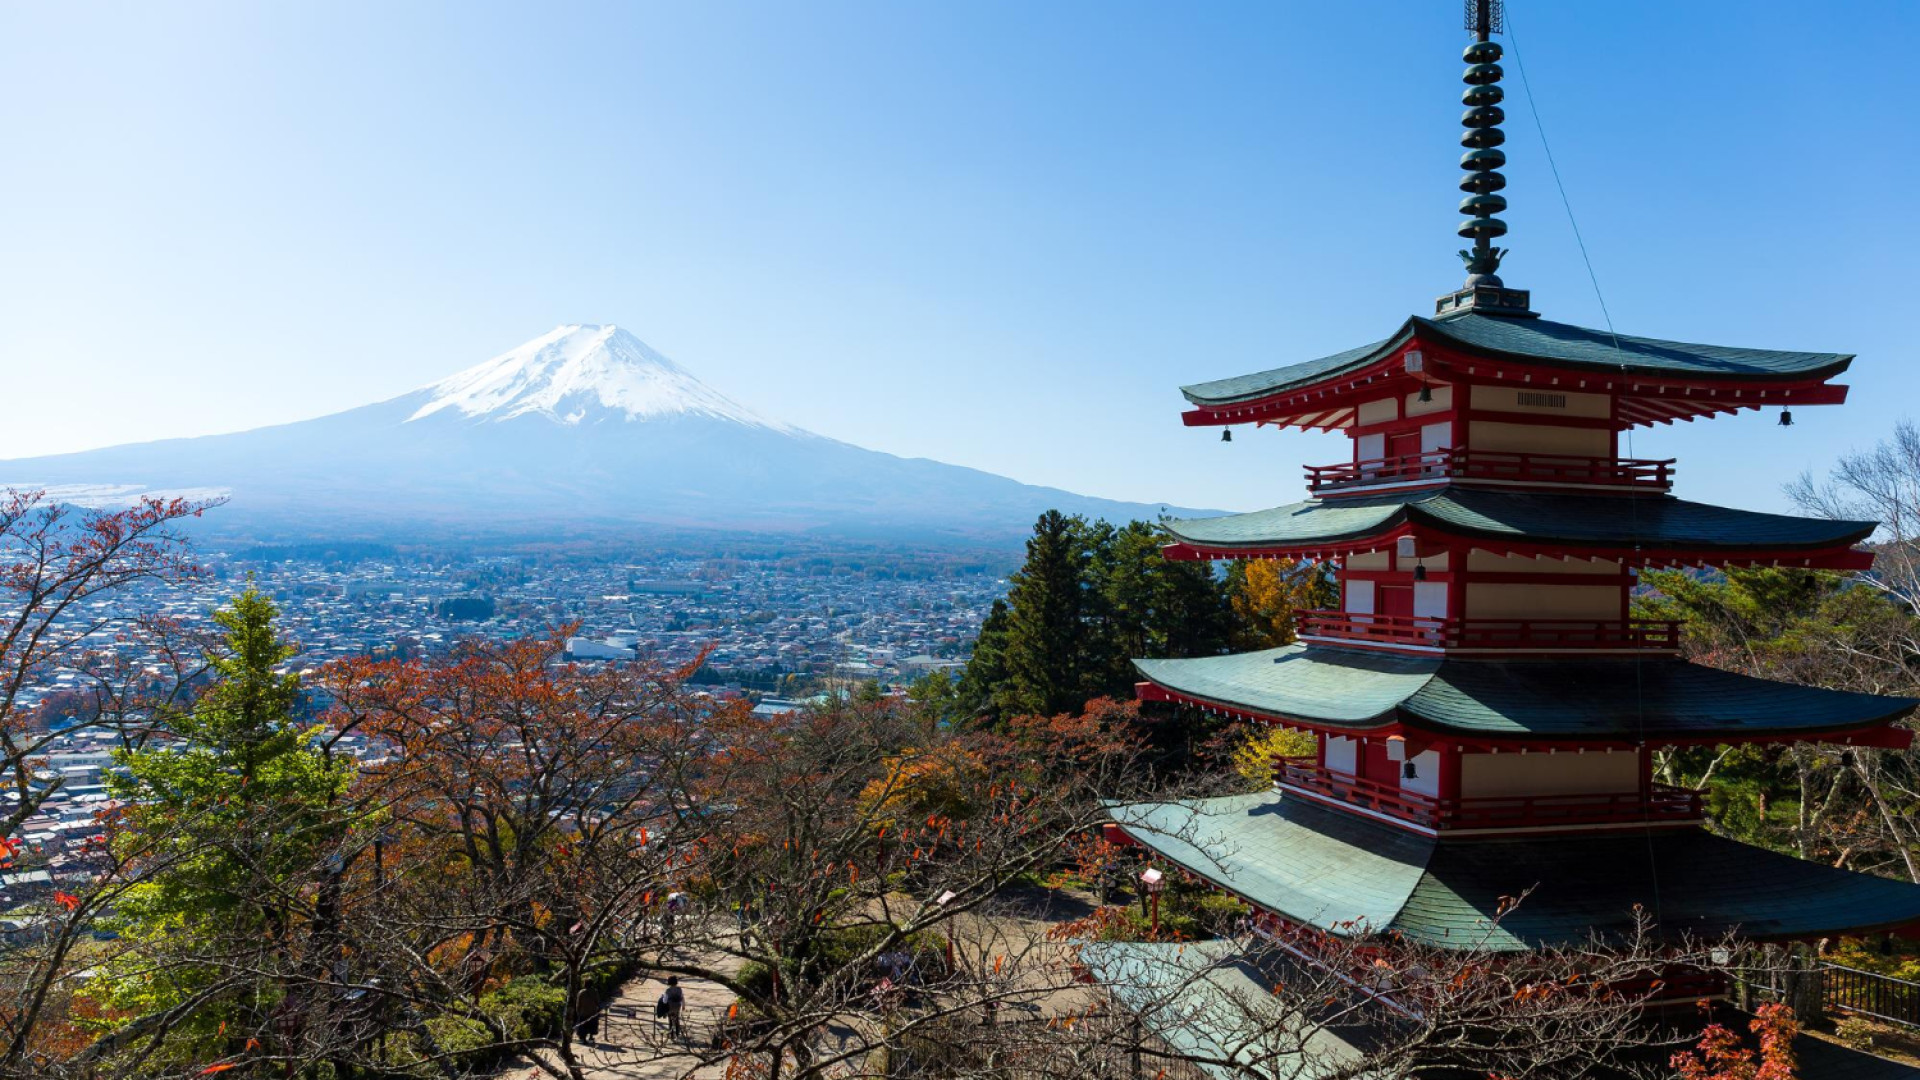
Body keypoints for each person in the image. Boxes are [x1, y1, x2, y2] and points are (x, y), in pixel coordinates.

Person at [658, 975, 686, 1041]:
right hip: (677, 1006)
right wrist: (683, 1006)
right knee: (677, 1020)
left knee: (670, 1021)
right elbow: (682, 998)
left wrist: (662, 998)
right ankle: (677, 1034)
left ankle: (672, 1035)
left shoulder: (668, 990)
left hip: (670, 1007)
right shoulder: (679, 989)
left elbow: (665, 1001)